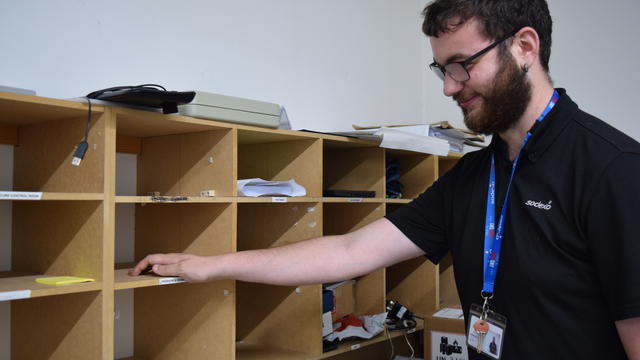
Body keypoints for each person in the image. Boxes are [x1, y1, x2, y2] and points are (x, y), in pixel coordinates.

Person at [130, 0, 640, 358]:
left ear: (525, 46)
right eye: (441, 70)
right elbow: (351, 253)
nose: (449, 88)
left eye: (461, 65)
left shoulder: (614, 170)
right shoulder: (475, 175)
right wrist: (211, 264)